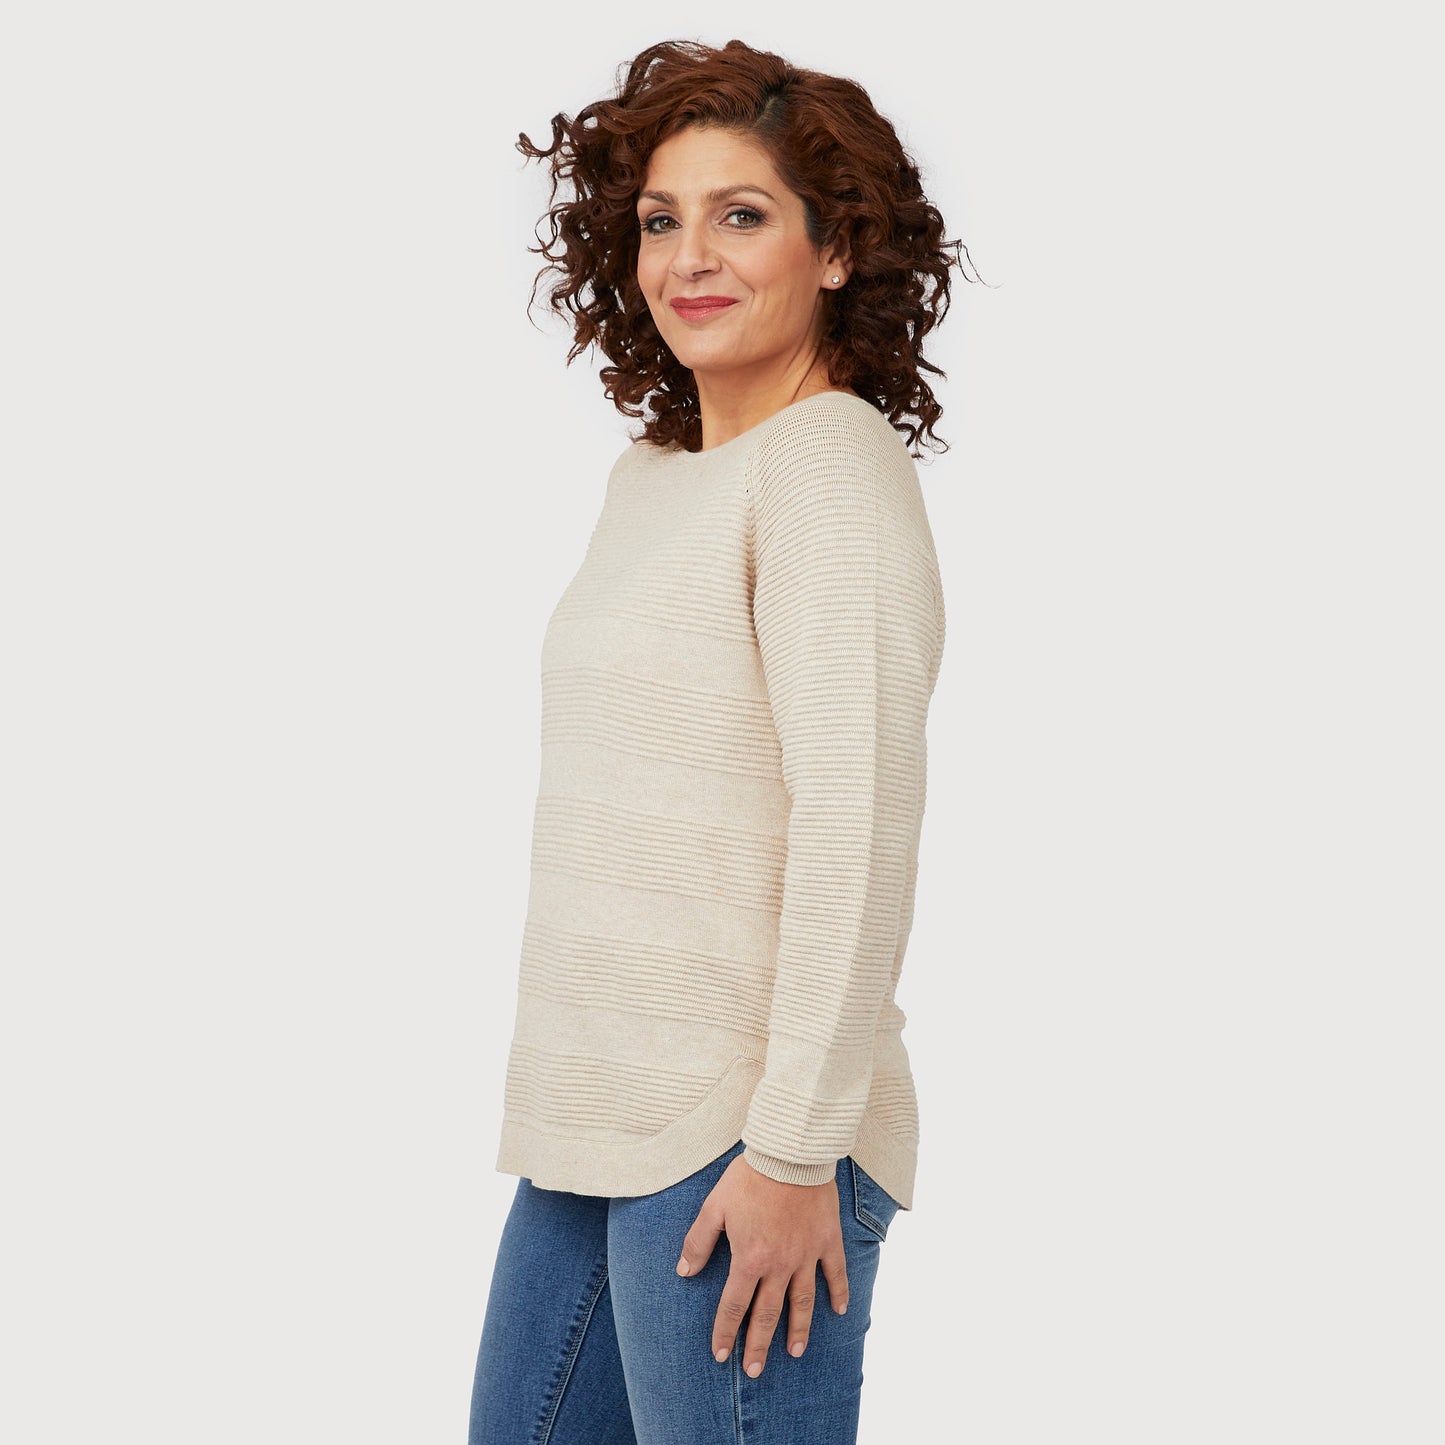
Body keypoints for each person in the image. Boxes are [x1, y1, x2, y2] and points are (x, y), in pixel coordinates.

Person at [468, 36, 976, 1445]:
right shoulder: (656, 479)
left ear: (836, 249)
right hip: (593, 1118)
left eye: (740, 215)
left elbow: (856, 827)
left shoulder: (828, 472)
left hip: (740, 1137)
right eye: (659, 220)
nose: (688, 257)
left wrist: (795, 1147)